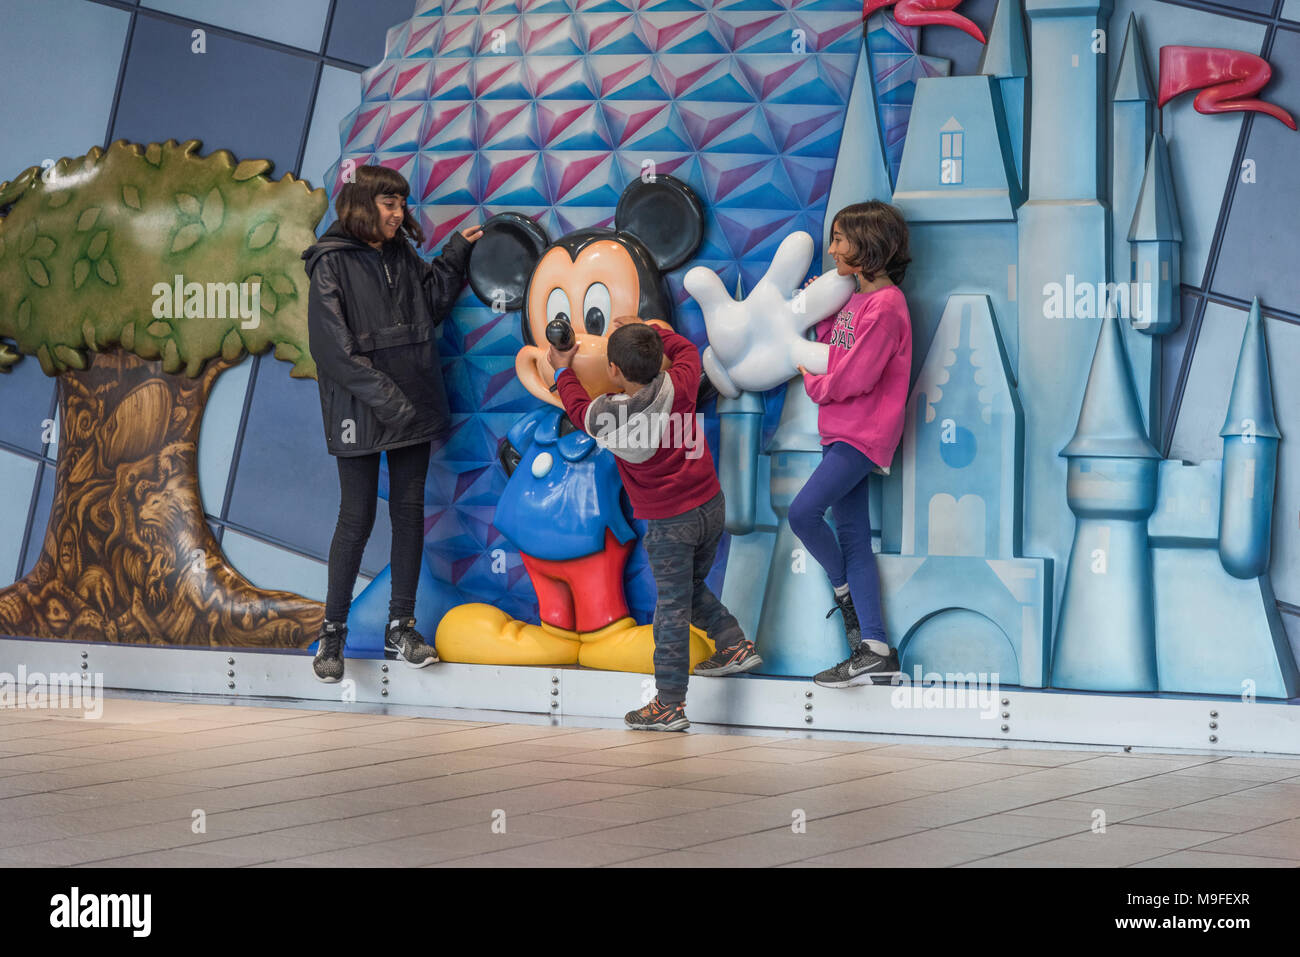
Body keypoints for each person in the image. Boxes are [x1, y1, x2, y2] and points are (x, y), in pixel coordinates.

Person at [301, 165, 481, 683]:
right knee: (355, 518)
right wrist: (392, 403)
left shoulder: (401, 254)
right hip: (365, 409)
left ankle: (401, 624)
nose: (400, 213)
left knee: (408, 513)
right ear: (362, 204)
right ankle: (332, 633)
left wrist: (453, 258)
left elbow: (432, 307)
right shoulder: (330, 265)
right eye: (389, 204)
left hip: (412, 402)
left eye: (402, 203)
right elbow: (332, 351)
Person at [549, 317, 761, 731]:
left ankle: (668, 704)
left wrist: (562, 368)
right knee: (689, 590)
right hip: (710, 506)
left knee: (671, 609)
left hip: (669, 524)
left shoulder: (609, 416)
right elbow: (686, 350)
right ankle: (734, 643)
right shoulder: (679, 383)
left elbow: (576, 407)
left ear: (613, 370)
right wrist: (651, 329)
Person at [791, 200, 912, 688]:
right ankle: (876, 649)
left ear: (869, 244)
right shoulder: (855, 300)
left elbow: (855, 375)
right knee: (855, 539)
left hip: (862, 433)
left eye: (841, 238)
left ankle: (843, 593)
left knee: (802, 513)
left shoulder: (887, 305)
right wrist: (815, 311)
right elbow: (835, 347)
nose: (832, 247)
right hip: (838, 431)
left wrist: (814, 383)